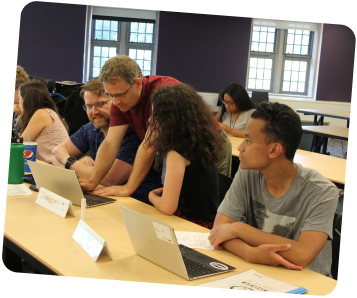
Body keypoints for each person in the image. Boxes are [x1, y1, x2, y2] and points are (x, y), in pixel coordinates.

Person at [209, 102, 338, 277]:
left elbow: (302, 255)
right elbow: (219, 231)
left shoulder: (322, 192)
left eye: (248, 141)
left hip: (306, 280)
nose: (240, 147)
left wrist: (239, 229)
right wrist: (250, 253)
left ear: (274, 149)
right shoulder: (248, 173)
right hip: (259, 272)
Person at [79, 55, 225, 197]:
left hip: (209, 144)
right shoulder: (120, 99)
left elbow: (149, 146)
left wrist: (128, 188)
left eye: (119, 95)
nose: (115, 102)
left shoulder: (162, 94)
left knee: (203, 204)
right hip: (176, 153)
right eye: (110, 95)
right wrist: (93, 181)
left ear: (137, 84)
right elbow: (111, 142)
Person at [51, 77, 162, 204]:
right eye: (89, 106)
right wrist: (80, 167)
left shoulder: (132, 132)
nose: (94, 112)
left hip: (139, 201)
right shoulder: (90, 129)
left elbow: (111, 178)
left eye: (101, 104)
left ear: (115, 100)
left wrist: (71, 163)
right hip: (104, 195)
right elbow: (56, 153)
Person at [147, 84, 224, 229]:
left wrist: (151, 196)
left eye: (156, 116)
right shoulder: (199, 141)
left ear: (171, 119)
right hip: (208, 222)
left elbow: (168, 207)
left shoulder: (177, 150)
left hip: (192, 225)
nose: (151, 120)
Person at [17, 80, 69, 164]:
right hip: (47, 168)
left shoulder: (42, 114)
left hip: (55, 170)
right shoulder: (46, 112)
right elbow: (18, 138)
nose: (18, 103)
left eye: (19, 99)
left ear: (27, 100)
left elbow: (19, 145)